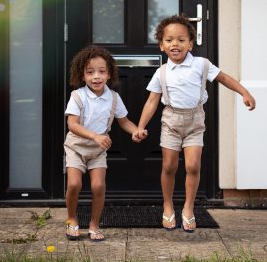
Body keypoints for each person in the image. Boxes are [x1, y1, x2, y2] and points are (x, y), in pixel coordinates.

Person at [134, 15, 256, 233]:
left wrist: (244, 92)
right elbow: (152, 101)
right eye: (169, 40)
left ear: (190, 43)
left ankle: (188, 208)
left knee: (192, 166)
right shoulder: (161, 72)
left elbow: (224, 79)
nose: (175, 44)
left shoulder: (201, 65)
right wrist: (140, 126)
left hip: (195, 121)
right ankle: (168, 204)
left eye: (181, 40)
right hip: (171, 121)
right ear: (162, 45)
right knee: (169, 166)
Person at [64, 45, 143, 241]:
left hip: (98, 150)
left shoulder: (113, 98)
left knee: (98, 186)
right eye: (90, 72)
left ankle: (94, 224)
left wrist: (136, 131)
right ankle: (72, 219)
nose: (96, 77)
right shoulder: (78, 96)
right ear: (82, 75)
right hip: (76, 147)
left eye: (101, 72)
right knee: (74, 184)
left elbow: (124, 121)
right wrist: (95, 136)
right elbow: (72, 124)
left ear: (109, 74)